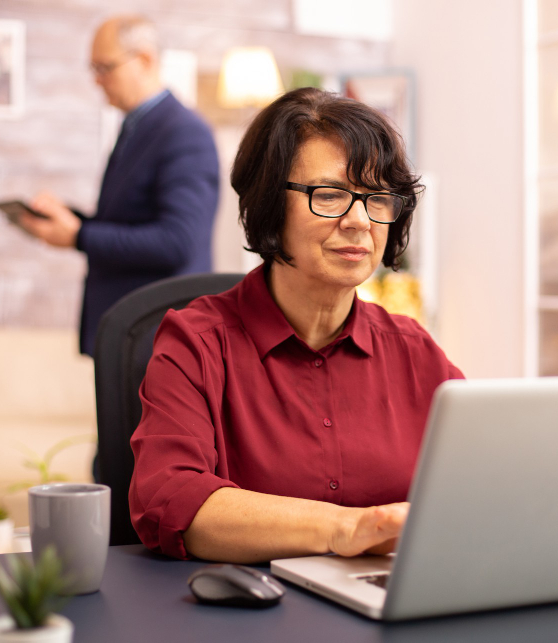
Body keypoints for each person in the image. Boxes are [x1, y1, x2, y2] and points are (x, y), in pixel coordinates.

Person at [130, 87, 463, 563]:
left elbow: (482, 485)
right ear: (270, 204)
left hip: (387, 596)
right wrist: (346, 528)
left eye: (377, 198)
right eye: (330, 195)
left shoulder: (416, 352)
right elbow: (169, 500)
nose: (359, 221)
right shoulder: (196, 343)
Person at [19, 15, 219, 355]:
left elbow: (177, 242)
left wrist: (79, 236)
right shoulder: (137, 127)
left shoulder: (185, 133)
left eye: (105, 67)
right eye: (93, 68)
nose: (97, 80)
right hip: (129, 335)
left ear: (144, 60)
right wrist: (72, 220)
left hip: (158, 341)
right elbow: (129, 222)